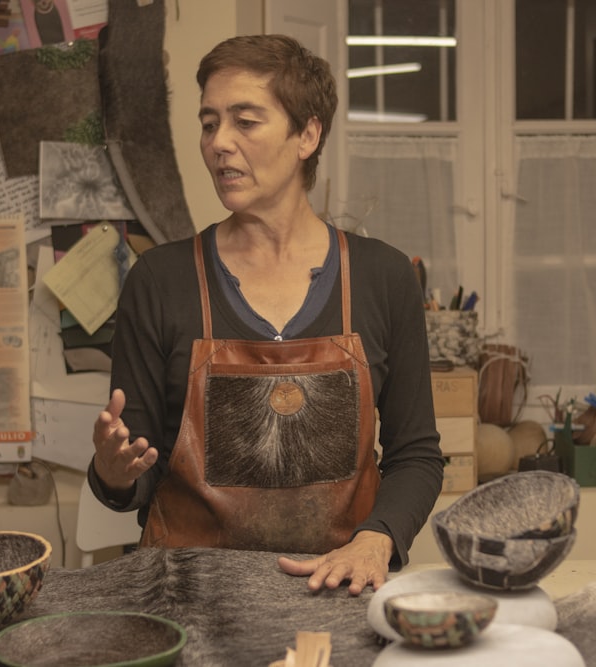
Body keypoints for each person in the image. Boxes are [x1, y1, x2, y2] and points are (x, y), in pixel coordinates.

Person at [89, 34, 444, 595]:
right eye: (209, 123)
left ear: (307, 134)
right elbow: (138, 472)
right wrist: (113, 475)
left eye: (244, 122)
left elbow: (417, 455)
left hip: (338, 591)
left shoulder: (383, 277)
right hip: (188, 597)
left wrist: (378, 538)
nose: (218, 144)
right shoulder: (159, 280)